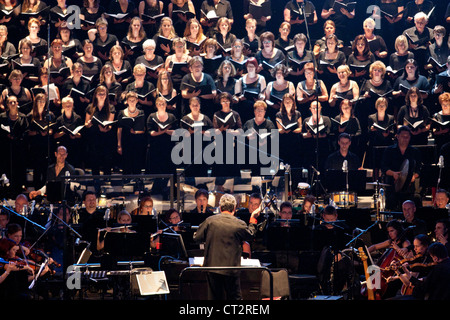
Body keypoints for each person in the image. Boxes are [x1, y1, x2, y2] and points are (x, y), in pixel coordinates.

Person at [193, 193, 260, 300]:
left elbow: (196, 238)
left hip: (212, 268)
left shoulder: (210, 221)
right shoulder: (239, 224)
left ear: (220, 208)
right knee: (234, 299)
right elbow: (250, 234)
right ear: (234, 208)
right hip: (231, 269)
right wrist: (253, 220)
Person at [381, 126, 422, 211]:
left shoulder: (415, 151)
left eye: (407, 137)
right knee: (392, 204)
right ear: (397, 136)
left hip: (409, 189)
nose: (405, 139)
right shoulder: (389, 150)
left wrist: (414, 176)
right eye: (403, 136)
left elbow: (419, 168)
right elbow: (384, 168)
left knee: (415, 200)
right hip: (392, 187)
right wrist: (393, 174)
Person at [116, 91, 146, 174]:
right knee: (127, 163)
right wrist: (119, 145)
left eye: (134, 100)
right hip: (126, 141)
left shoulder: (141, 113)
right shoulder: (121, 113)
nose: (132, 102)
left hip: (137, 140)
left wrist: (135, 132)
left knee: (137, 163)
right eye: (130, 100)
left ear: (137, 101)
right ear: (127, 101)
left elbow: (143, 129)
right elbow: (119, 129)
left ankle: (137, 182)